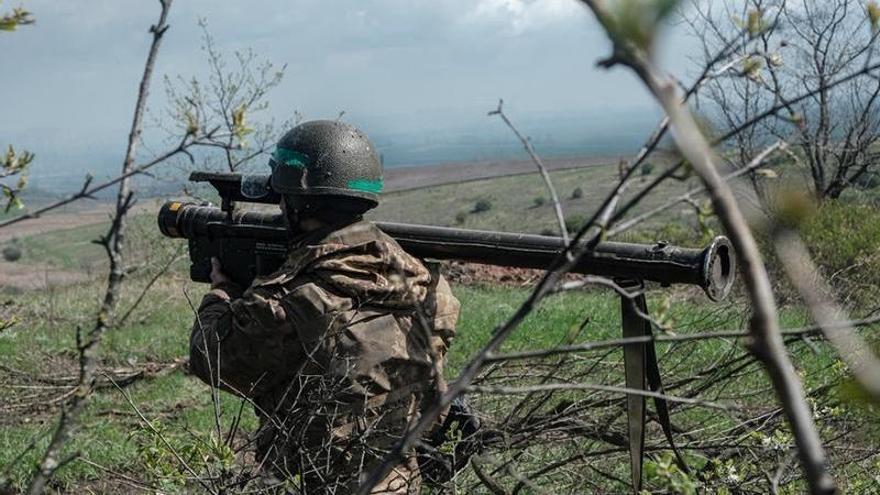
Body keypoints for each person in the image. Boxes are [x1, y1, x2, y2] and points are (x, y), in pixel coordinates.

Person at [188, 120, 460, 493]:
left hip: (316, 483)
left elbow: (211, 358)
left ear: (295, 201)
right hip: (400, 479)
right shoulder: (427, 284)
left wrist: (221, 294)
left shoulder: (292, 302)